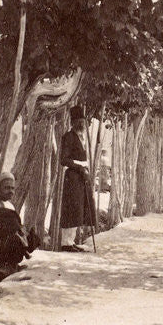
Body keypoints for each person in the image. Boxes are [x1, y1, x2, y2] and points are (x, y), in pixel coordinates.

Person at [0, 173, 41, 285]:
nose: (11, 191)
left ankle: (12, 264)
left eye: (12, 188)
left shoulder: (9, 205)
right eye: (7, 188)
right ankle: (6, 267)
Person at [60, 106, 97, 252]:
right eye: (78, 121)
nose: (81, 124)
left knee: (79, 209)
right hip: (73, 177)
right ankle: (65, 243)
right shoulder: (68, 137)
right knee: (72, 208)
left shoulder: (82, 137)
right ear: (73, 122)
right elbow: (64, 160)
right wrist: (80, 168)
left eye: (83, 121)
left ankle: (71, 241)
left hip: (82, 177)